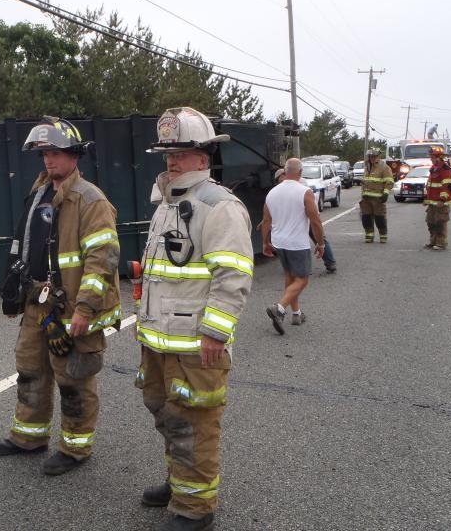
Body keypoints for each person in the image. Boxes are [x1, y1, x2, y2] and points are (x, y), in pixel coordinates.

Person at [136, 107, 254, 531]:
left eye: (182, 153)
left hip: (194, 344)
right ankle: (180, 481)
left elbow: (233, 275)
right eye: (168, 153)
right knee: (166, 413)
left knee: (194, 422)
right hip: (158, 339)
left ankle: (195, 508)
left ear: (203, 158)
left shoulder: (217, 206)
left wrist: (215, 334)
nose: (172, 161)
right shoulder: (168, 203)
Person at [0, 116, 121, 477]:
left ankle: (75, 448)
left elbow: (103, 259)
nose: (49, 160)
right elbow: (24, 245)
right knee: (30, 369)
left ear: (75, 155)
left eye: (57, 153)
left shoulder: (89, 199)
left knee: (74, 378)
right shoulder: (39, 193)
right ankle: (28, 437)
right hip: (38, 302)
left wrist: (85, 309)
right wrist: (13, 294)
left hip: (72, 307)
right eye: (45, 153)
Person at [261, 158, 325, 334]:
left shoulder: (272, 193)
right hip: (297, 243)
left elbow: (266, 221)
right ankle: (279, 308)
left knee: (290, 276)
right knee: (302, 279)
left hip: (279, 242)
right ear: (300, 172)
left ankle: (296, 314)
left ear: (284, 171)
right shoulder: (305, 191)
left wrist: (265, 242)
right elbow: (315, 220)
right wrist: (320, 243)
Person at [269, 167, 336, 273]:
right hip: (298, 217)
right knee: (296, 240)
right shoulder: (285, 186)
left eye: (279, 179)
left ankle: (330, 263)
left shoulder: (300, 182)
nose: (279, 182)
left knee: (319, 239)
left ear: (284, 174)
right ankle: (299, 266)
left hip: (307, 216)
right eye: (277, 181)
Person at [359, 148, 394, 243]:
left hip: (378, 199)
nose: (372, 158)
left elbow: (389, 182)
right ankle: (369, 235)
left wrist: (386, 193)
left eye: (374, 156)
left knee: (380, 218)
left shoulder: (384, 167)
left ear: (378, 156)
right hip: (366, 198)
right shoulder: (367, 166)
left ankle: (383, 236)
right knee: (366, 218)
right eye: (370, 156)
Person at [424, 146, 451, 250]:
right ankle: (433, 241)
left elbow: (447, 186)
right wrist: (426, 198)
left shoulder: (446, 169)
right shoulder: (433, 169)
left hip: (441, 202)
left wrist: (442, 200)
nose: (431, 159)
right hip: (432, 202)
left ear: (439, 157)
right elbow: (430, 184)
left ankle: (441, 243)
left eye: (432, 157)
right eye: (431, 157)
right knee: (430, 222)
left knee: (440, 222)